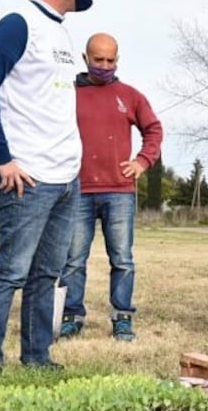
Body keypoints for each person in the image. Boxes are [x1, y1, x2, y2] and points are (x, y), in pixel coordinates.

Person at [0, 0, 96, 369]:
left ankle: (37, 359)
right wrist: (2, 158)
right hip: (29, 177)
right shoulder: (18, 24)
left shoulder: (60, 29)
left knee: (47, 274)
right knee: (9, 273)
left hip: (65, 179)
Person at [58, 33, 163, 342]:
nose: (104, 65)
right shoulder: (67, 94)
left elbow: (154, 129)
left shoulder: (129, 96)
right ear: (85, 58)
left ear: (118, 60)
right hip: (77, 190)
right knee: (73, 259)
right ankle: (71, 316)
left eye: (110, 60)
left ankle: (122, 318)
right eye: (98, 59)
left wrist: (142, 161)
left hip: (119, 191)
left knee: (122, 259)